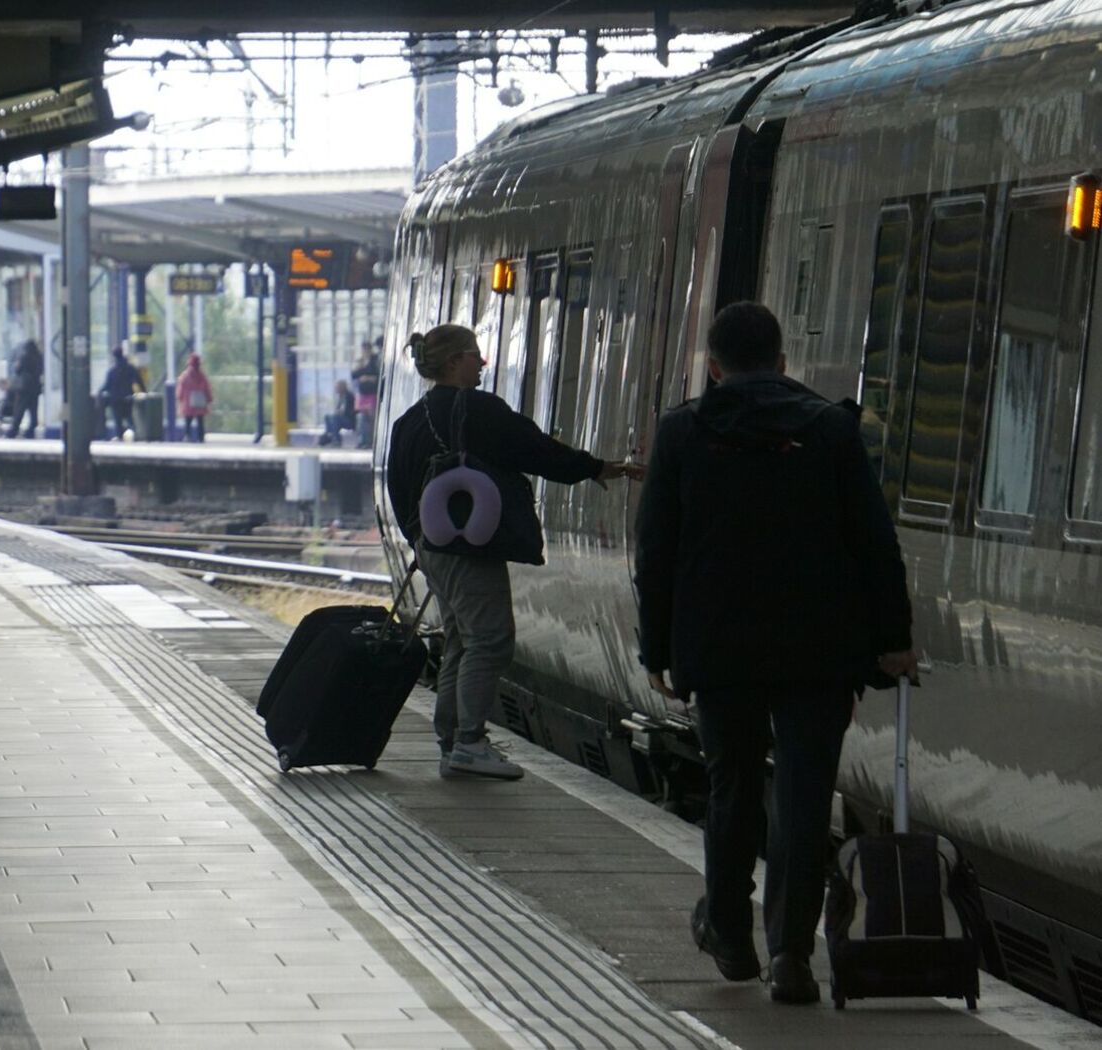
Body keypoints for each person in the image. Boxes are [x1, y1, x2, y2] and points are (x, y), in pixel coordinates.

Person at [634, 301, 914, 1005]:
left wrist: (656, 647)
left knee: (731, 786)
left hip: (719, 648)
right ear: (784, 361)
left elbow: (656, 549)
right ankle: (791, 953)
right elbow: (873, 543)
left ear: (715, 366)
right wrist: (892, 642)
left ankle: (729, 933)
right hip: (818, 651)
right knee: (802, 794)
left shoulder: (681, 433)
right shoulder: (829, 428)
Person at [386, 324, 640, 781]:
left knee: (464, 639)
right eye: (475, 355)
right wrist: (596, 467)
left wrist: (419, 542)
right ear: (452, 363)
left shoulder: (410, 420)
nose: (482, 363)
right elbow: (535, 449)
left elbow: (397, 485)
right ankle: (468, 742)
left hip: (434, 548)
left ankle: (453, 740)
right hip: (468, 549)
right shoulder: (480, 411)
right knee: (490, 639)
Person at [102, 345, 145, 440]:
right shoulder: (130, 368)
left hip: (116, 400)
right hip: (128, 397)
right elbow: (139, 381)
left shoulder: (112, 371)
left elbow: (107, 385)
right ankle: (135, 435)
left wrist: (99, 392)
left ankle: (120, 437)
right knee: (129, 417)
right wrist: (144, 391)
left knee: (118, 421)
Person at [350, 343, 382, 449]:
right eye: (363, 350)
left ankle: (369, 441)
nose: (365, 352)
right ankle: (362, 440)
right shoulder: (360, 361)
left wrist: (367, 377)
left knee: (371, 417)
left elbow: (378, 375)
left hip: (372, 393)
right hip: (362, 393)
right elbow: (354, 375)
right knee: (361, 418)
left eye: (367, 349)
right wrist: (360, 368)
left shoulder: (375, 360)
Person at [176, 352, 212, 443]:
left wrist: (180, 398)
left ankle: (188, 436)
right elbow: (207, 388)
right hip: (200, 402)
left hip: (188, 403)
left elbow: (180, 390)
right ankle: (201, 437)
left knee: (188, 420)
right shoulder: (202, 376)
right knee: (200, 421)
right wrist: (209, 398)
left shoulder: (185, 376)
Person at [12, 339, 45, 438]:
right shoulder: (39, 358)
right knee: (33, 410)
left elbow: (18, 370)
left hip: (24, 387)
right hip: (35, 388)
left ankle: (13, 430)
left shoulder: (24, 356)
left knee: (19, 410)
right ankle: (31, 431)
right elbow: (41, 371)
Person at [320, 379, 356, 446]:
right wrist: (337, 412)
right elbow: (338, 409)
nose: (335, 389)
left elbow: (348, 411)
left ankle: (337, 440)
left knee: (335, 418)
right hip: (342, 418)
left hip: (350, 420)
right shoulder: (341, 397)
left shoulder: (349, 396)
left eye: (337, 387)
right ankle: (329, 435)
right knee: (327, 417)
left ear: (342, 387)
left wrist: (338, 413)